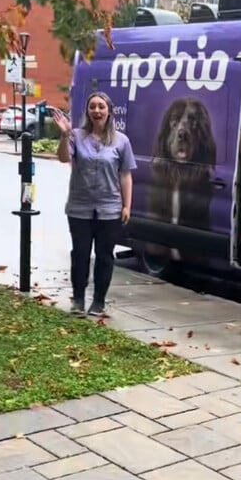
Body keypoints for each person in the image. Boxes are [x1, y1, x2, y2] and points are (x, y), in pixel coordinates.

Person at [52, 92, 136, 317]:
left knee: (104, 256)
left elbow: (126, 175)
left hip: (110, 209)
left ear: (109, 111)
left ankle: (98, 301)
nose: (97, 111)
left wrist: (126, 206)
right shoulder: (76, 136)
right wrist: (64, 135)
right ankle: (78, 299)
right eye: (92, 107)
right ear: (88, 112)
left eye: (101, 107)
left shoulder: (121, 140)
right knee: (80, 253)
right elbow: (63, 158)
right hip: (80, 208)